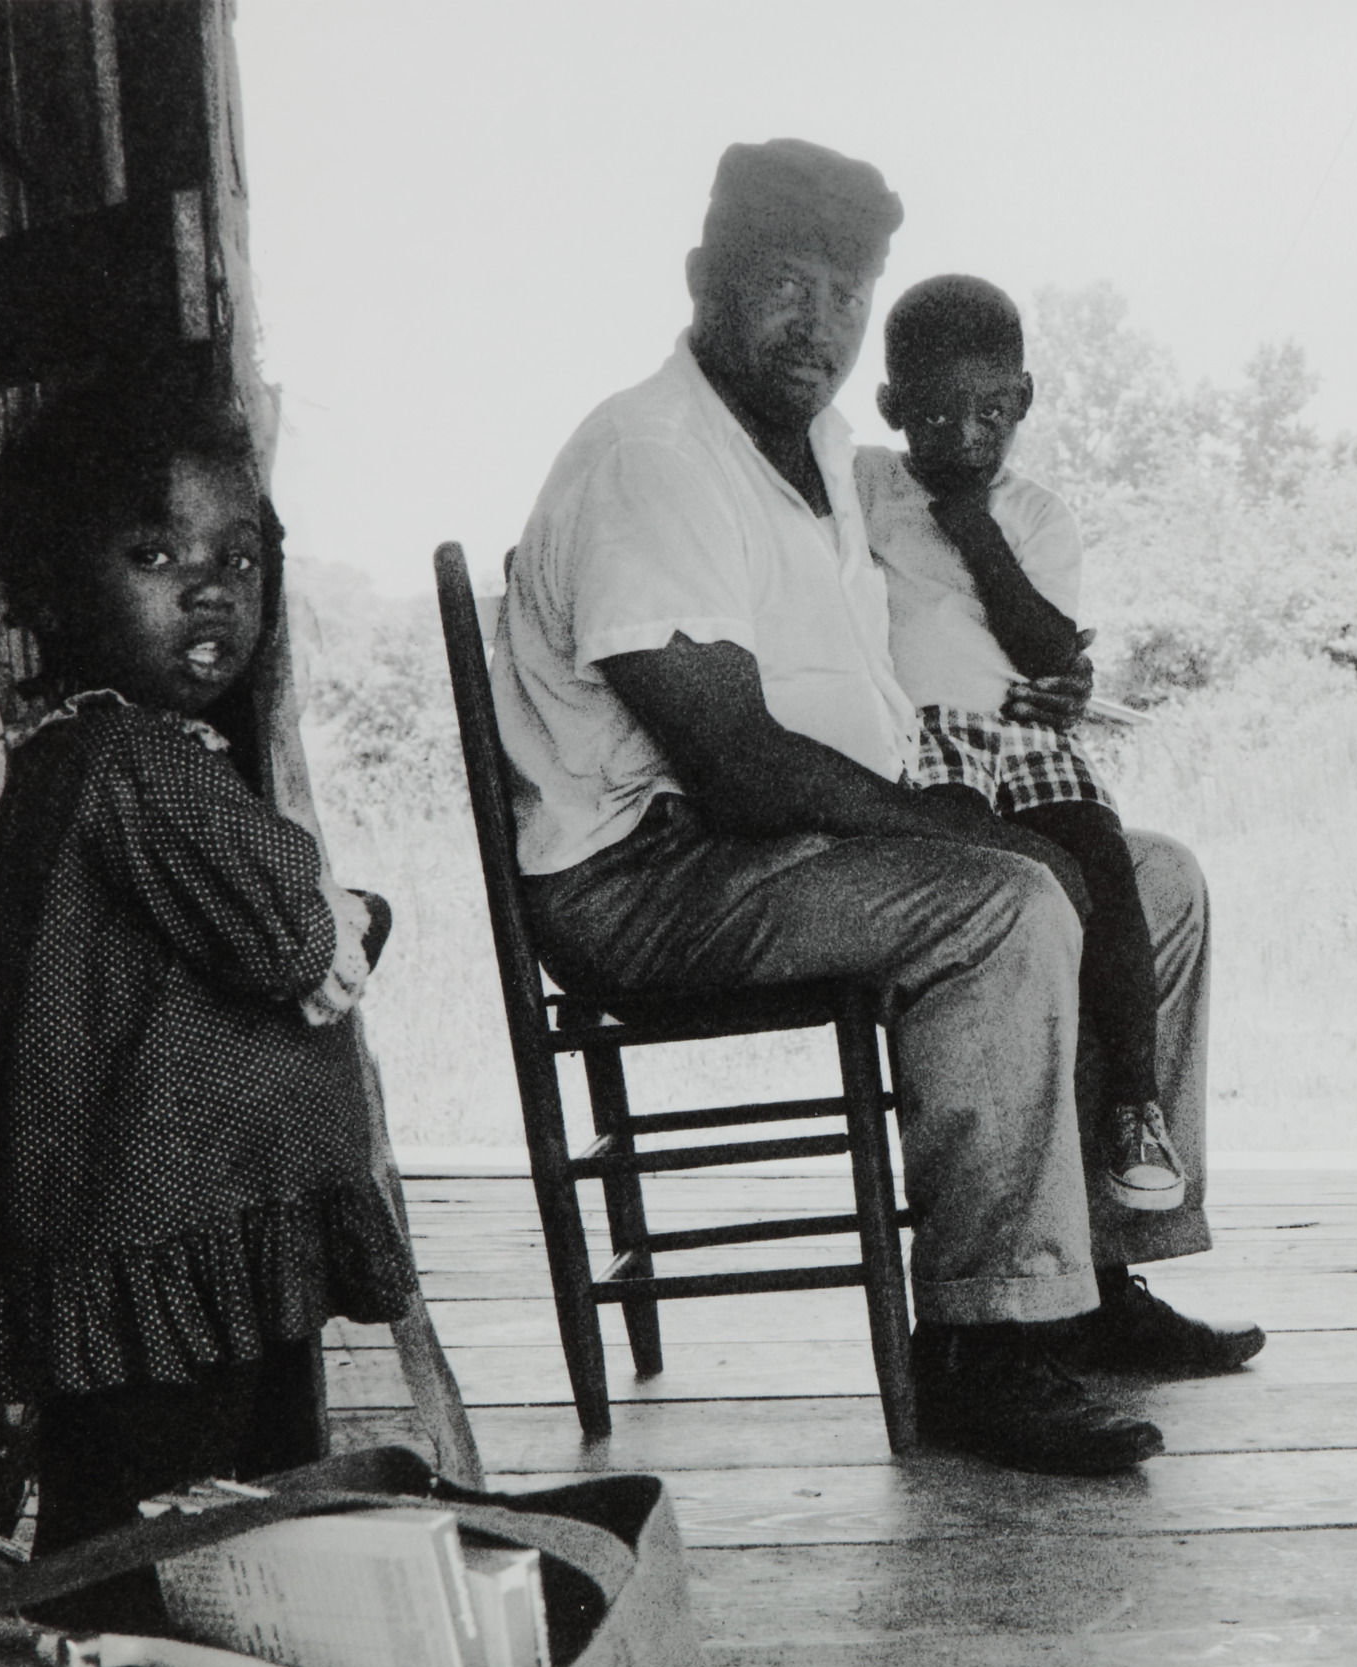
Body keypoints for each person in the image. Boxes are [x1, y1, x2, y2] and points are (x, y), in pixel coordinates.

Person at [493, 139, 1262, 1479]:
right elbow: (733, 760)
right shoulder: (655, 457)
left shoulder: (824, 451)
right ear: (700, 281)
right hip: (648, 873)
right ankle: (982, 1339)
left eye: (846, 292)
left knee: (1162, 879)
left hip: (781, 842)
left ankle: (1095, 1272)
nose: (821, 323)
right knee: (1006, 899)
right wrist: (972, 833)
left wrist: (1016, 722)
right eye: (784, 283)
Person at [0, 362, 415, 1620]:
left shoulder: (86, 760)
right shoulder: (129, 764)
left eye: (237, 554)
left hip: (194, 1238)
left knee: (179, 1532)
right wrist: (363, 913)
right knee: (181, 1547)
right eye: (156, 556)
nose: (212, 590)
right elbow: (291, 933)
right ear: (59, 588)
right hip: (175, 1245)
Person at [857, 274, 1182, 1214]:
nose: (967, 436)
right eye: (939, 413)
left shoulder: (1037, 513)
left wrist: (971, 525)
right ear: (891, 407)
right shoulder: (867, 483)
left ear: (1026, 399)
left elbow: (1045, 646)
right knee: (1002, 883)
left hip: (1022, 731)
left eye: (993, 410)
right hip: (926, 739)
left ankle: (1133, 1105)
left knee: (1105, 868)